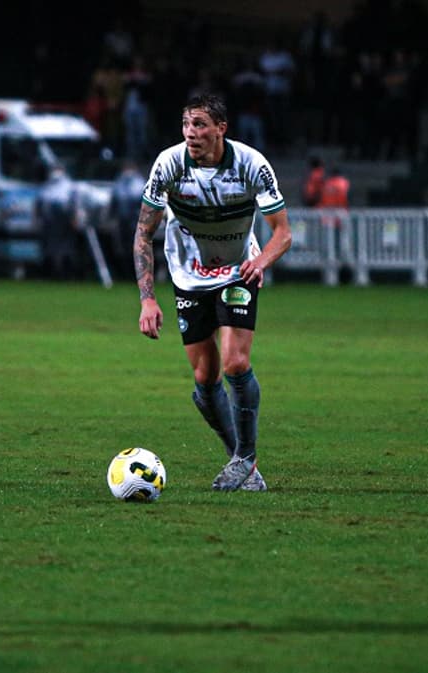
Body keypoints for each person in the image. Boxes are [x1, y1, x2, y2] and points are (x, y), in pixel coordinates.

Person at [133, 94, 293, 492]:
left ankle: (246, 457)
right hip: (188, 276)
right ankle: (242, 464)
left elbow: (283, 233)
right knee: (205, 378)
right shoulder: (168, 165)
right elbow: (142, 234)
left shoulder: (251, 165)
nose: (191, 133)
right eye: (187, 124)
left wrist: (261, 262)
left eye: (201, 124)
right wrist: (147, 299)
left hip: (239, 271)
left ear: (222, 128)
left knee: (236, 364)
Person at [34, 164, 81, 280]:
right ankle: (50, 274)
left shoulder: (70, 186)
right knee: (49, 248)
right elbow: (39, 204)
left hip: (64, 220)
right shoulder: (47, 187)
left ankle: (67, 274)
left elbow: (73, 204)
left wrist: (74, 219)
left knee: (66, 248)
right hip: (49, 221)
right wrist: (37, 219)